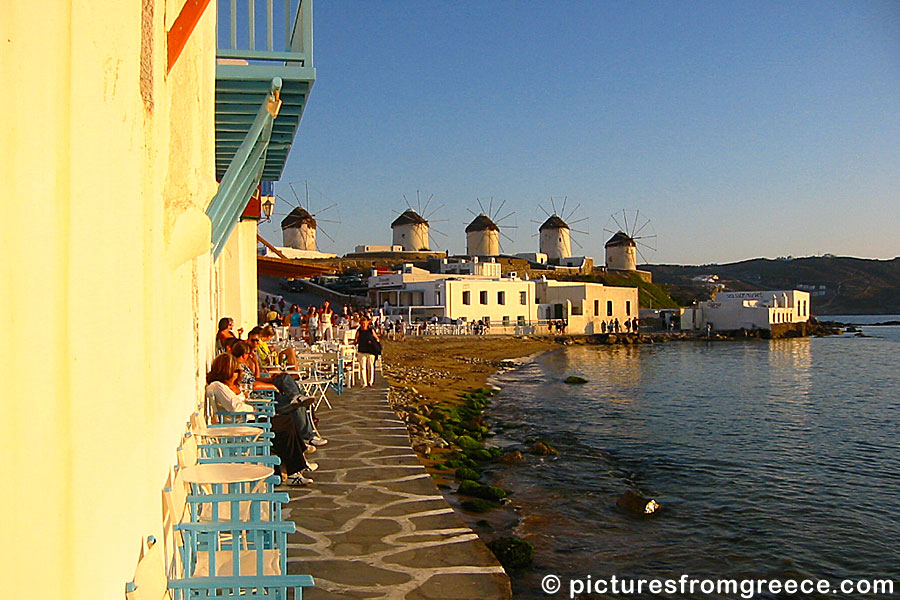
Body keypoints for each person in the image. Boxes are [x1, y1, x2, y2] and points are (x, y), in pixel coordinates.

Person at [354, 316, 381, 388]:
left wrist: (373, 343)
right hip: (362, 350)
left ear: (367, 323)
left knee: (370, 366)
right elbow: (356, 339)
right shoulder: (359, 330)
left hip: (371, 350)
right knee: (362, 367)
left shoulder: (370, 330)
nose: (363, 325)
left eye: (364, 323)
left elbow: (377, 338)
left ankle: (370, 381)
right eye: (362, 324)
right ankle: (364, 382)